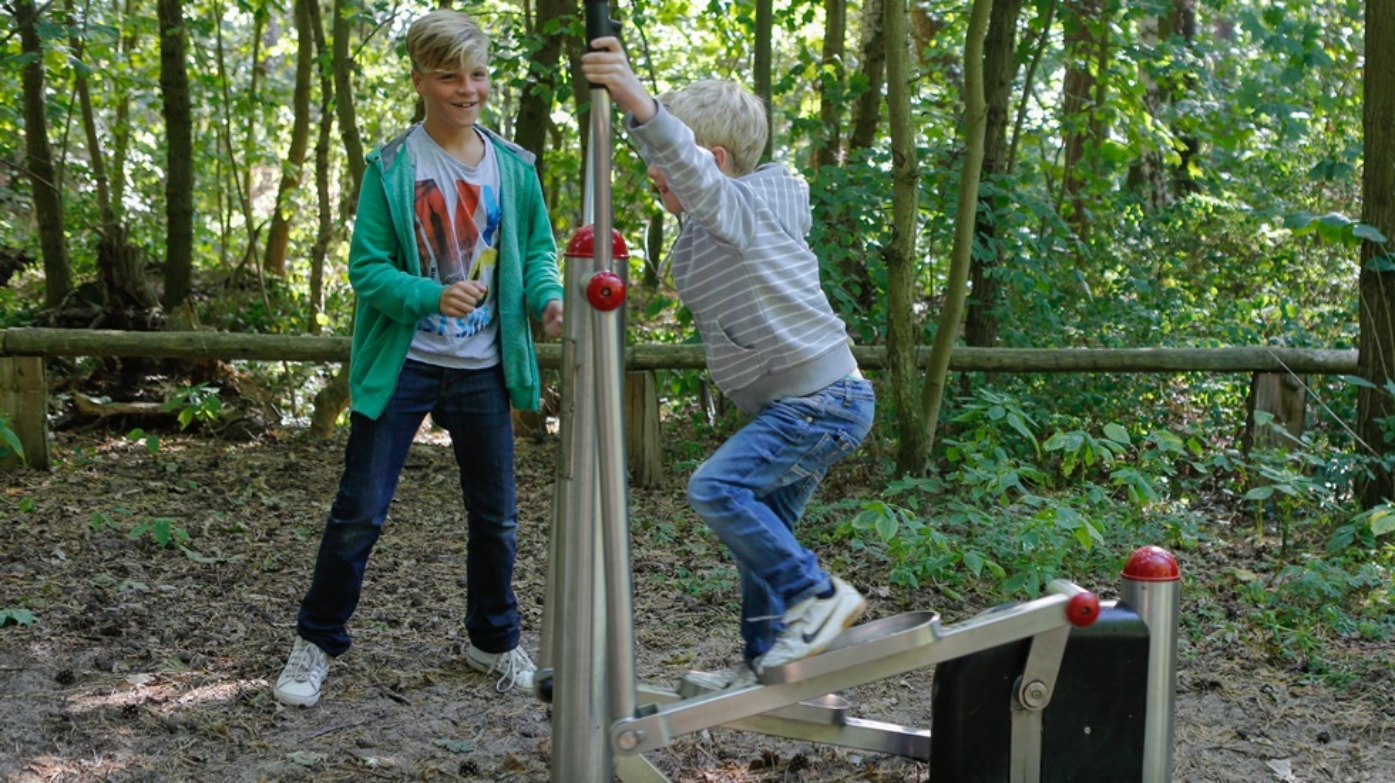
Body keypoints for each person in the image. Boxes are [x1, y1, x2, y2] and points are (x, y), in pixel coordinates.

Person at [272, 9, 564, 707]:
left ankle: (490, 641)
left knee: (495, 517)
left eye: (478, 74)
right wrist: (431, 294)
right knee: (360, 511)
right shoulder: (392, 165)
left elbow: (539, 252)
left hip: (484, 368)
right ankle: (315, 643)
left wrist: (548, 301)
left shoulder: (515, 168)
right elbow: (367, 269)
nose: (468, 89)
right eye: (450, 76)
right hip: (403, 363)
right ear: (420, 81)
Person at [581, 38, 876, 690]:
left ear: (711, 162)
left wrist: (635, 93)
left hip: (819, 401)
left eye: (665, 163)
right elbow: (674, 160)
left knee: (714, 488)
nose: (653, 174)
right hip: (807, 404)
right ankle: (764, 658)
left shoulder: (744, 209)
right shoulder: (718, 220)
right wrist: (633, 118)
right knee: (761, 531)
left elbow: (686, 168)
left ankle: (817, 592)